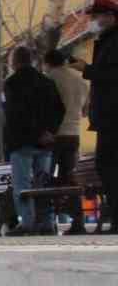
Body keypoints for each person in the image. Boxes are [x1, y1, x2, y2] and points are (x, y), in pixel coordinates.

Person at [2, 45, 65, 236]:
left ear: (14, 62)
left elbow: (16, 113)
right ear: (31, 60)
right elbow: (59, 109)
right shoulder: (46, 82)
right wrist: (49, 132)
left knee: (22, 185)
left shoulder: (12, 83)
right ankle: (46, 223)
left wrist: (36, 132)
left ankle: (27, 223)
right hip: (45, 144)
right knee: (43, 184)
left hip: (22, 143)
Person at [69, 0, 118, 229]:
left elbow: (111, 76)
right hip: (108, 116)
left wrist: (86, 69)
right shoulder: (107, 40)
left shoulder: (114, 41)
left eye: (96, 17)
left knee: (109, 165)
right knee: (106, 166)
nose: (93, 21)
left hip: (113, 116)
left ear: (110, 17)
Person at [45, 49, 89, 186]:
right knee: (69, 179)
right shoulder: (81, 79)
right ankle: (72, 206)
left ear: (47, 63)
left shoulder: (49, 78)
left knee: (47, 179)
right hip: (74, 135)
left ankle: (49, 206)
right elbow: (85, 112)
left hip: (53, 135)